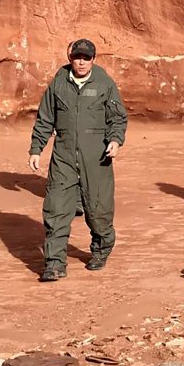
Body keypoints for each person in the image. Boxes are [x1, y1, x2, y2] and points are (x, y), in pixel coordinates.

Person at [28, 38, 128, 282]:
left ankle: (101, 250)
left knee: (98, 210)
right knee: (56, 209)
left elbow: (117, 118)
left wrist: (115, 140)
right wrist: (36, 148)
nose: (81, 62)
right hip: (63, 156)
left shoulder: (104, 83)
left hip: (97, 157)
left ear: (93, 59)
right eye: (77, 57)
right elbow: (45, 118)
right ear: (70, 58)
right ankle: (54, 263)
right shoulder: (59, 83)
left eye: (86, 58)